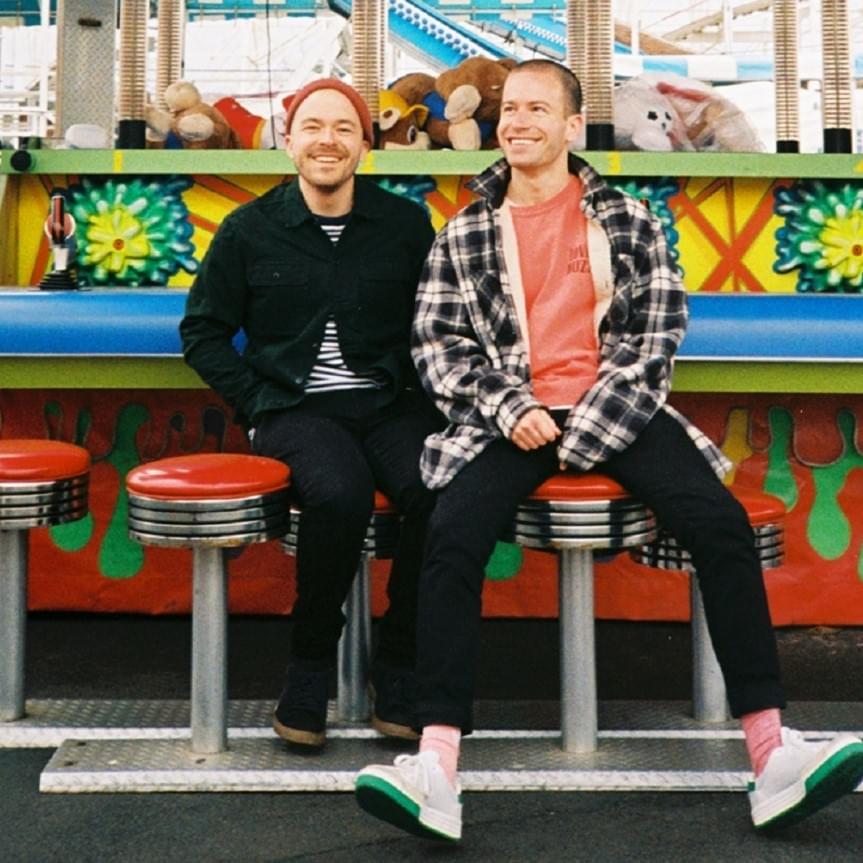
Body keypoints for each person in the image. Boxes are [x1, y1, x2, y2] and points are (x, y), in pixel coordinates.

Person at [354, 60, 863, 840]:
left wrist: (583, 429)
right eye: (509, 108)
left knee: (718, 524)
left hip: (616, 409)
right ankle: (436, 765)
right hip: (510, 417)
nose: (517, 121)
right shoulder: (465, 229)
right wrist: (510, 406)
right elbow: (438, 346)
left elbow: (654, 335)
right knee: (450, 536)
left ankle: (771, 752)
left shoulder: (625, 218)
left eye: (537, 109)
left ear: (570, 126)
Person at [180, 78, 441, 748]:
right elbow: (203, 332)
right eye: (313, 127)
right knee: (338, 492)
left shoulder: (405, 224)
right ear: (289, 141)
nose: (328, 140)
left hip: (390, 404)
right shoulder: (249, 229)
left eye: (344, 128)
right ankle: (309, 667)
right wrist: (255, 403)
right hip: (295, 408)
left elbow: (439, 324)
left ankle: (400, 661)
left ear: (365, 145)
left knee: (437, 487)